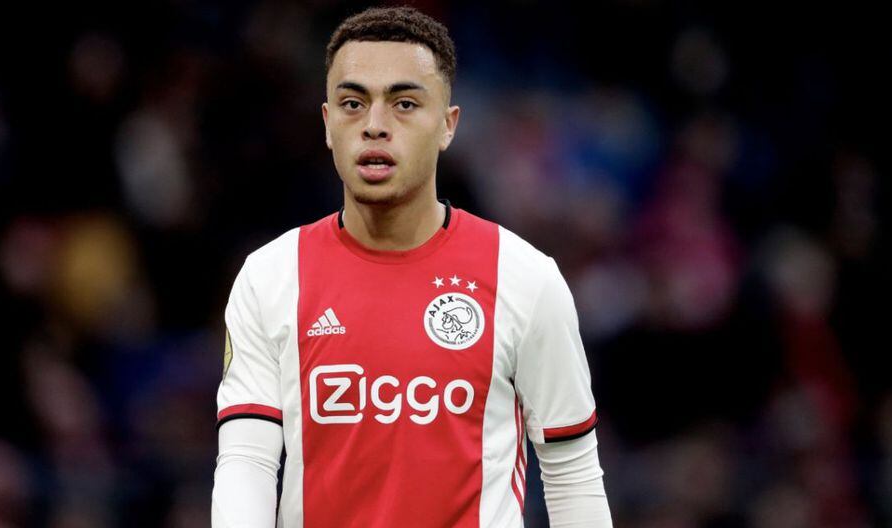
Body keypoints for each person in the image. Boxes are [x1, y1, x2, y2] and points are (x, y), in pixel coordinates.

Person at [211, 6, 612, 527]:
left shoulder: (526, 279)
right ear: (328, 125)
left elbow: (572, 473)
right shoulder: (269, 277)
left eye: (404, 103)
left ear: (447, 126)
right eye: (353, 104)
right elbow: (246, 461)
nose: (375, 126)